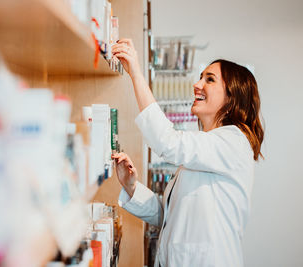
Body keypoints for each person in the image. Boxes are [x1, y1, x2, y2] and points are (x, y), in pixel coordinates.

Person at [110, 39, 264, 267]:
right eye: (200, 77)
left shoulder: (233, 142)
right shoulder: (207, 148)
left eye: (209, 80)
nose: (197, 84)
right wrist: (132, 187)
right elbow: (169, 218)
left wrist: (136, 74)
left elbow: (167, 142)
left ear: (232, 99)